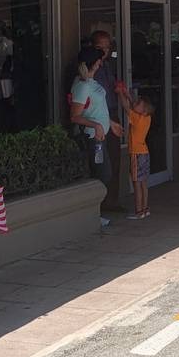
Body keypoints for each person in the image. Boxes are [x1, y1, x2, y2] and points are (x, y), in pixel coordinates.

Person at [69, 47, 123, 227]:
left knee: (102, 173)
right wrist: (96, 125)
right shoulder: (82, 86)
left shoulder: (89, 83)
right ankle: (92, 212)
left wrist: (110, 123)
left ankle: (95, 212)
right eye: (99, 60)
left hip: (101, 135)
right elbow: (75, 116)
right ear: (94, 63)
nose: (101, 62)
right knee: (102, 173)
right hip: (93, 137)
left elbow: (96, 109)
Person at [89, 31, 124, 212]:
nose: (103, 51)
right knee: (101, 161)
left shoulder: (108, 67)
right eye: (99, 48)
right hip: (98, 117)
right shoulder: (89, 70)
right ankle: (99, 204)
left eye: (107, 47)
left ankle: (112, 201)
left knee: (115, 158)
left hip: (112, 111)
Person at [116, 88, 154, 220]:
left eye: (139, 103)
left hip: (136, 154)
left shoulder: (136, 118)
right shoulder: (146, 118)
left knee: (136, 183)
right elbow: (133, 107)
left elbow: (126, 107)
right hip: (145, 152)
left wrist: (120, 93)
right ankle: (145, 208)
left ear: (142, 110)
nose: (135, 103)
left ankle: (138, 211)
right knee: (143, 183)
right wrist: (129, 96)